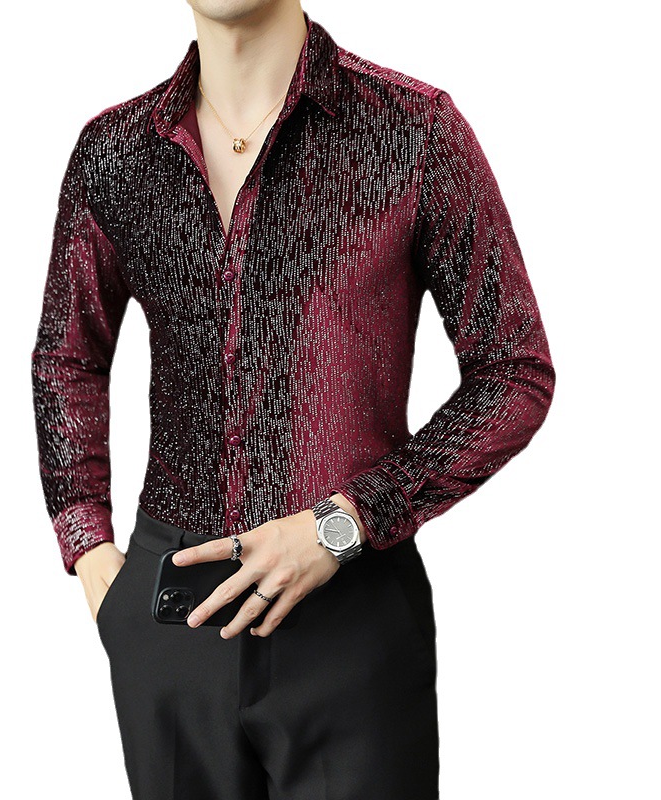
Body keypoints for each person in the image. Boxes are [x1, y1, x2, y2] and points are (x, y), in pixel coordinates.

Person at [30, 2, 556, 797]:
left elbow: (514, 370)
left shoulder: (412, 132)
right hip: (173, 621)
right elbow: (67, 355)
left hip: (353, 616)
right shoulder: (114, 151)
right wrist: (93, 552)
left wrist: (345, 523)